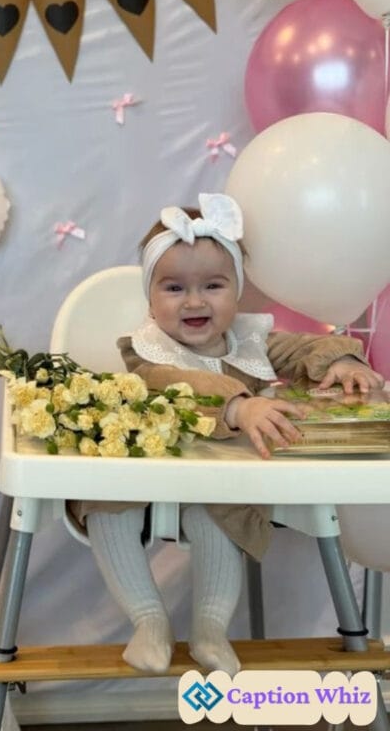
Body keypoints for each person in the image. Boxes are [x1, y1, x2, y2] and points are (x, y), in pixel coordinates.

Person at [73, 192, 384, 676]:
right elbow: (172, 384)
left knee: (221, 515)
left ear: (236, 292)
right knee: (105, 501)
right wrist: (239, 405)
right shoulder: (146, 350)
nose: (195, 301)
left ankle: (211, 629)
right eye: (174, 288)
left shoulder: (249, 342)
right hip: (146, 486)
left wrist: (341, 360)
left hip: (220, 489)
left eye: (213, 286)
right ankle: (148, 620)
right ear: (150, 299)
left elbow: (303, 347)